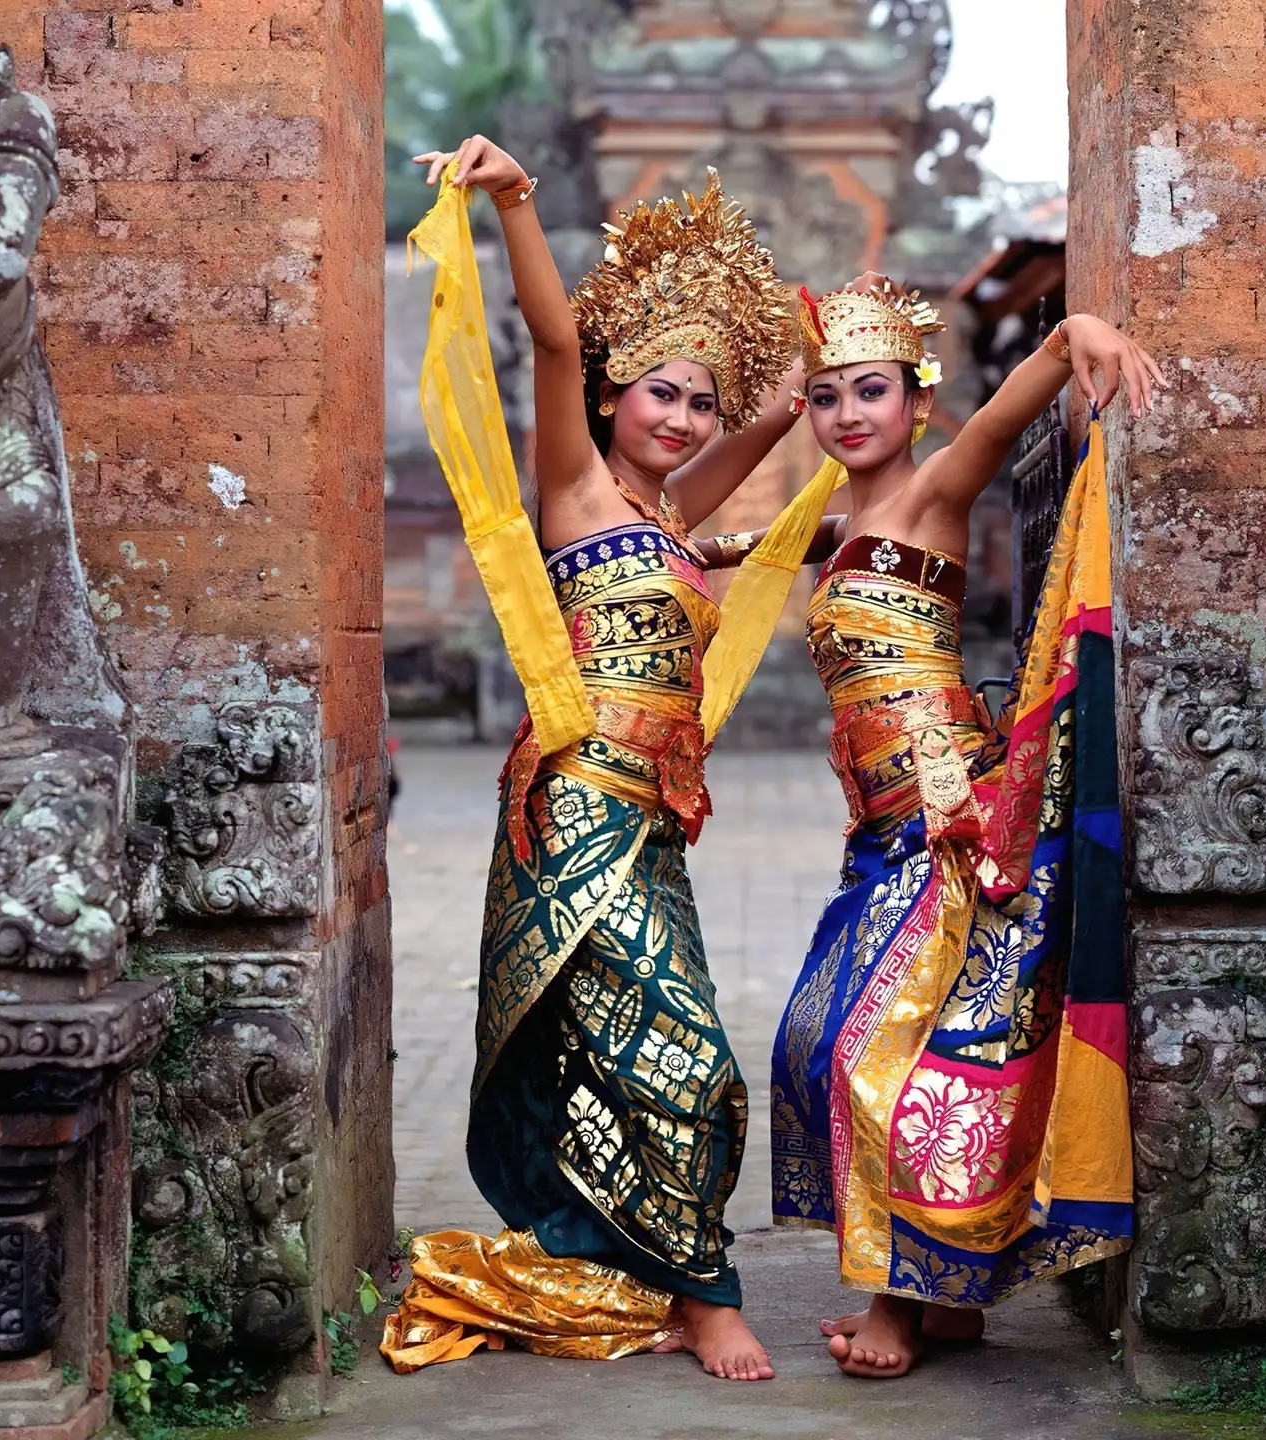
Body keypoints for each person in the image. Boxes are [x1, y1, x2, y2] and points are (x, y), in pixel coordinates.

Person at [380, 137, 799, 1382]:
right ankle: (707, 1293)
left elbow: (761, 442)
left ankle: (655, 1273)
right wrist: (517, 203)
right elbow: (553, 344)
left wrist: (801, 386)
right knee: (687, 1051)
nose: (682, 419)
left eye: (704, 402)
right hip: (573, 814)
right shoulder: (574, 492)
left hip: (650, 826)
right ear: (617, 391)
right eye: (663, 392)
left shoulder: (668, 519)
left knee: (632, 1045)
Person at [768, 276, 1164, 1378]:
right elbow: (748, 546)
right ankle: (947, 1300)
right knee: (837, 1040)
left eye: (871, 392)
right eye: (825, 397)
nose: (848, 414)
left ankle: (896, 1303)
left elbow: (1000, 423)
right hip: (879, 831)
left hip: (950, 822)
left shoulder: (936, 492)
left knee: (872, 1052)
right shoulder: (845, 529)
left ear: (915, 403)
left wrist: (1074, 337)